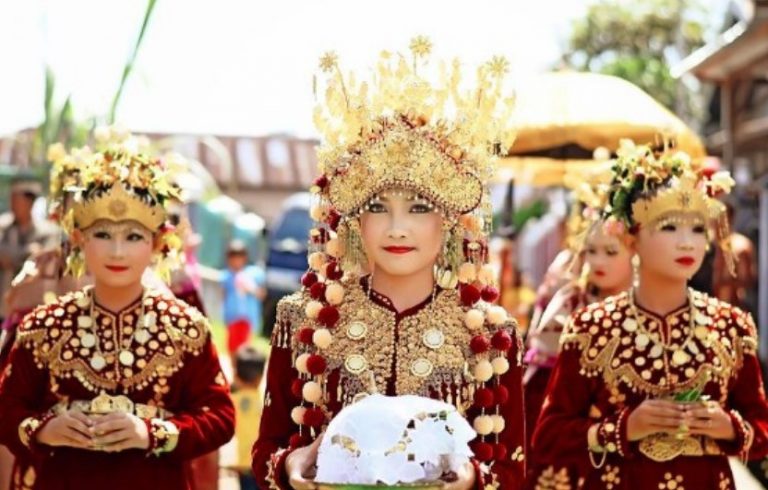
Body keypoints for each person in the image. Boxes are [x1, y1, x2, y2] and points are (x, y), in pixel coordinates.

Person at [251, 38, 525, 490]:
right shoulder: (303, 319)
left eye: (419, 207)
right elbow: (266, 452)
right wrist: (290, 465)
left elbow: (513, 471)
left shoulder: (489, 335)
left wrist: (472, 477)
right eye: (378, 206)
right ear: (355, 218)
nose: (398, 228)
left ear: (451, 219)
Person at [527, 140, 768, 489]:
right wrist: (623, 428)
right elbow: (547, 436)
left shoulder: (732, 326)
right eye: (669, 227)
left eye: (698, 229)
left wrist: (728, 427)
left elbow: (761, 430)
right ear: (630, 238)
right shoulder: (592, 327)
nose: (688, 243)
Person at [0, 133, 235, 490]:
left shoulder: (186, 329)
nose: (118, 252)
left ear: (157, 244)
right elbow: (6, 408)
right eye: (103, 235)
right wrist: (44, 428)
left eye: (134, 236)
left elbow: (220, 416)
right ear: (79, 238)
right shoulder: (43, 327)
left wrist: (152, 432)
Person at [522, 178, 633, 459]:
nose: (597, 262)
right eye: (590, 251)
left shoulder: (647, 303)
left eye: (610, 252)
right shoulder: (570, 298)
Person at [0, 175, 49, 323]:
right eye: (12, 200)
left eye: (17, 200)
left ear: (30, 203)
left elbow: (42, 261)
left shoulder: (45, 231)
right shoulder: (3, 226)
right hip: (4, 298)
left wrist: (15, 256)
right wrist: (27, 252)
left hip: (30, 304)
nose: (13, 204)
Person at [230, 346, 266, 490]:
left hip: (241, 464)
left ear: (236, 376)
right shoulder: (264, 401)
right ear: (260, 378)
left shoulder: (231, 401)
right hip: (261, 462)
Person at [222, 239, 266, 355]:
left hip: (249, 318)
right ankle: (233, 370)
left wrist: (251, 289)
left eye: (239, 257)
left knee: (245, 349)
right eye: (233, 258)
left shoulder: (254, 273)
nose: (236, 261)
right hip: (233, 317)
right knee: (232, 346)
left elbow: (262, 294)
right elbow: (224, 296)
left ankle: (241, 371)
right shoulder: (227, 276)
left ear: (245, 258)